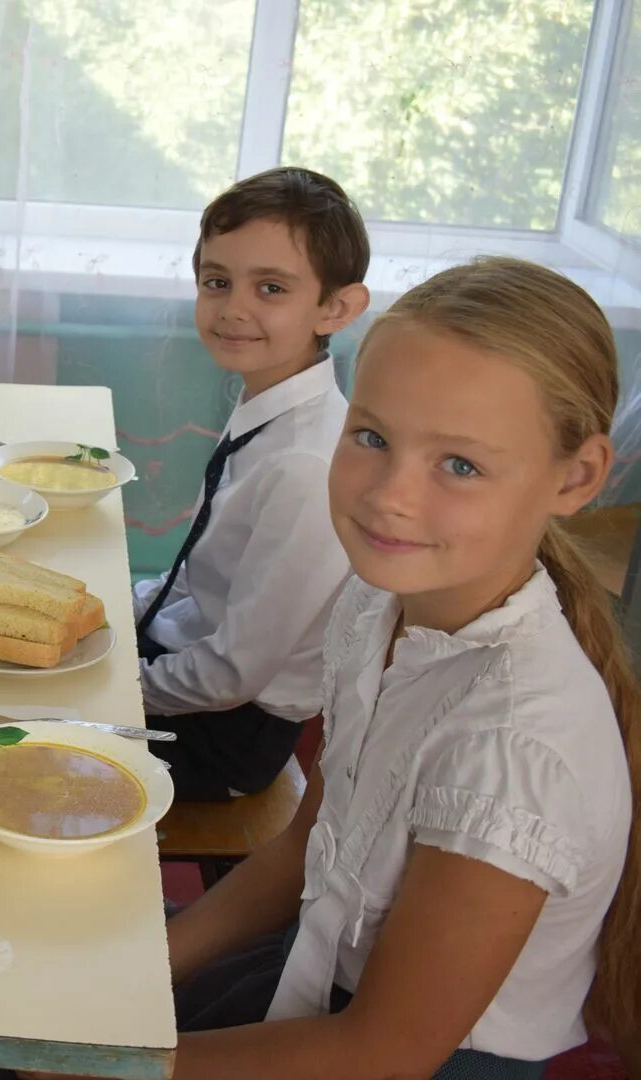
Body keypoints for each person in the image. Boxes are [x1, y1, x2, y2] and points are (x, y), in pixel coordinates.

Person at [160, 258, 638, 1078]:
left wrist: (115, 1068)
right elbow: (313, 838)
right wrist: (149, 967)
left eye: (458, 465)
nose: (389, 496)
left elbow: (380, 1053)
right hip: (323, 964)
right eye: (372, 437)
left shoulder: (513, 753)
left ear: (576, 476)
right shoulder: (377, 602)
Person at [133, 167, 370, 801]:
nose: (234, 308)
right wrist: (114, 610)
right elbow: (199, 571)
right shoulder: (272, 405)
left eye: (271, 287)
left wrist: (113, 687)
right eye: (217, 282)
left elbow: (232, 674)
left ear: (336, 308)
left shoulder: (307, 465)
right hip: (184, 674)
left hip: (222, 735)